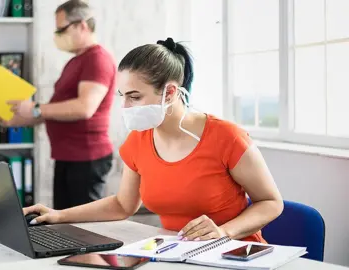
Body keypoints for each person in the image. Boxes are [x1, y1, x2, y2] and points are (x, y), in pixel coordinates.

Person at [21, 37, 284, 243]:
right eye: (122, 96)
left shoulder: (227, 137)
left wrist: (224, 232)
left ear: (169, 92)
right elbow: (122, 204)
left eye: (135, 97)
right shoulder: (138, 140)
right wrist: (57, 215)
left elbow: (271, 202)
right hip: (179, 255)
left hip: (234, 255)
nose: (125, 106)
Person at [2, 0, 116, 210]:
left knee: (84, 227)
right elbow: (57, 109)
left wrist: (36, 108)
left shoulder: (97, 60)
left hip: (87, 157)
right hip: (67, 155)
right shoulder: (75, 62)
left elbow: (84, 108)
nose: (57, 35)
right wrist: (21, 118)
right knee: (63, 222)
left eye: (61, 29)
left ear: (82, 25)